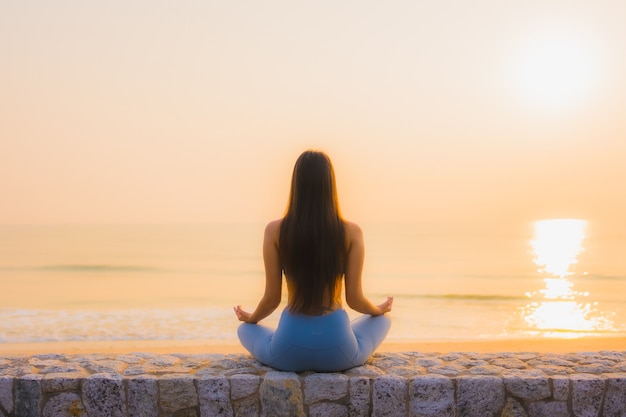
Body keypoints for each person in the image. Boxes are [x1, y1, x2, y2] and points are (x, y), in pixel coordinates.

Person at [234, 150, 392, 372]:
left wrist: (251, 318)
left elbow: (271, 300)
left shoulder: (275, 231)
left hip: (289, 348)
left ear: (296, 184)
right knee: (382, 321)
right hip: (338, 350)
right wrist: (378, 310)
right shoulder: (351, 232)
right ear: (330, 185)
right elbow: (355, 300)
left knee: (244, 331)